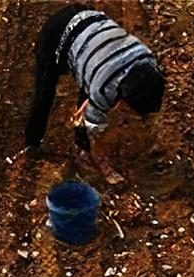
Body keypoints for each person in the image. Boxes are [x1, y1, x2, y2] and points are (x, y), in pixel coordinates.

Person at [25, 4, 165, 184]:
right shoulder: (103, 89)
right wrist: (103, 163)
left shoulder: (147, 58)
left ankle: (77, 141)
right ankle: (32, 143)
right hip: (56, 34)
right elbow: (94, 130)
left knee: (90, 84)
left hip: (89, 17)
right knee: (44, 93)